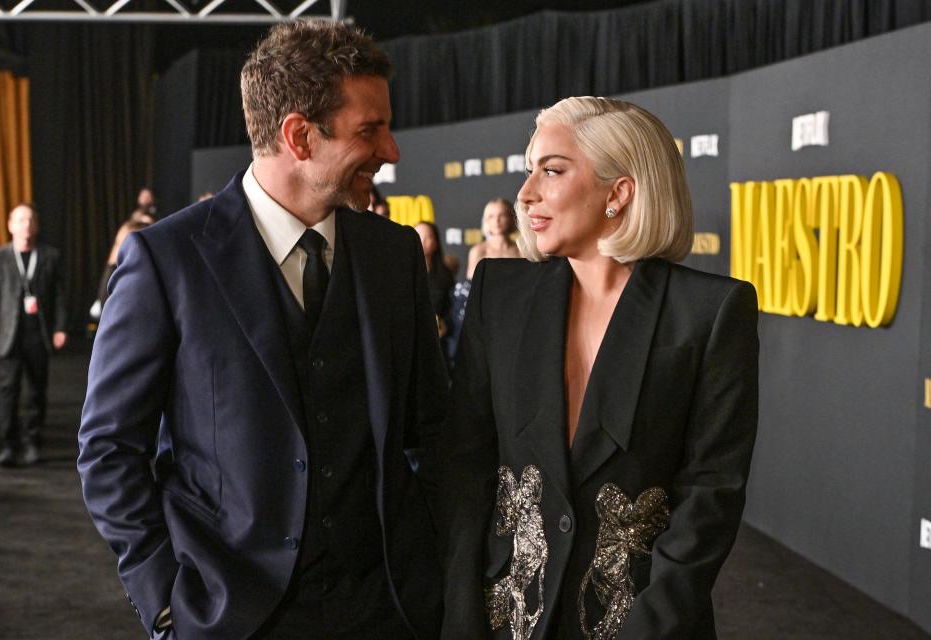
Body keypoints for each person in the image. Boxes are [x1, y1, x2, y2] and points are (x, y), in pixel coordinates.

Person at [77, 21, 448, 640]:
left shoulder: (395, 253)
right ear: (299, 136)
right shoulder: (166, 261)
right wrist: (165, 599)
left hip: (388, 612)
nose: (392, 152)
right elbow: (109, 449)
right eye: (370, 130)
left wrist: (433, 567)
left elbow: (432, 429)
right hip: (229, 616)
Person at [439, 97, 759, 640]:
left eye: (552, 170)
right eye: (528, 170)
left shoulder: (709, 313)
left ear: (619, 192)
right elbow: (466, 467)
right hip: (507, 618)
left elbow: (711, 493)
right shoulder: (500, 294)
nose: (526, 193)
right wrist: (461, 615)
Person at [0, 204, 68, 467]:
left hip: (38, 333)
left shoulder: (50, 256)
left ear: (36, 225)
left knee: (37, 391)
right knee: (8, 391)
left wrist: (61, 327)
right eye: (20, 219)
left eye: (30, 219)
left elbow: (59, 295)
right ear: (10, 225)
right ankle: (8, 444)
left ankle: (33, 442)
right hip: (9, 335)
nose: (26, 224)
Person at [415, 221, 455, 358]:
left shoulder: (445, 274)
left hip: (439, 343)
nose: (423, 241)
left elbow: (453, 308)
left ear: (436, 242)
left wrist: (445, 324)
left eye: (428, 237)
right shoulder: (401, 274)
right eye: (418, 236)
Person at [466, 198, 520, 279]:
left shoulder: (521, 250)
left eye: (502, 215)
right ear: (486, 220)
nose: (496, 220)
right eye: (491, 216)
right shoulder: (478, 251)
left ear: (511, 218)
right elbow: (471, 284)